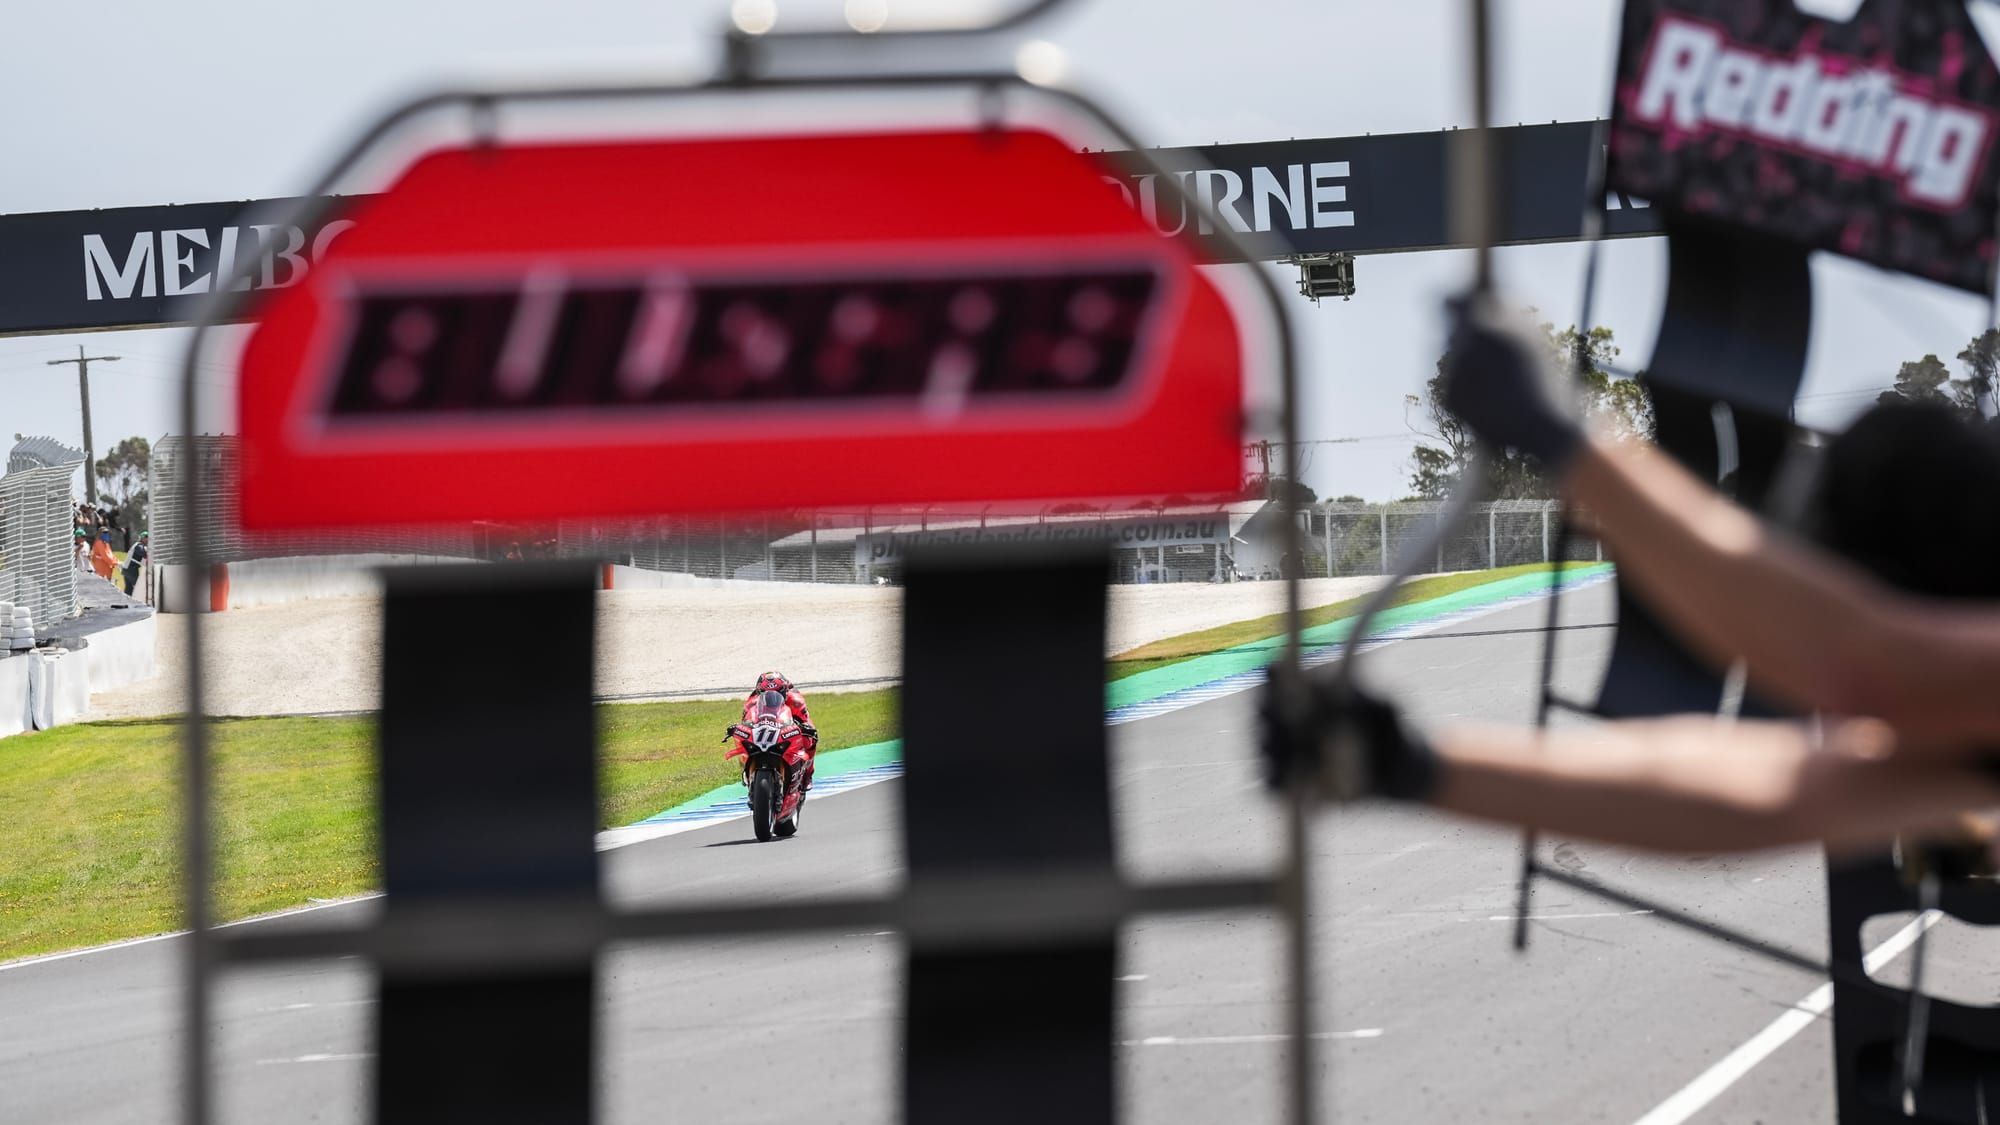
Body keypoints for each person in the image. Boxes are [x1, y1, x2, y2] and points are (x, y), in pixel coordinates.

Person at [1265, 296, 2000, 857]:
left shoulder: (1947, 685)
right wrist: (1411, 765)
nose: (1827, 717)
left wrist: (1567, 438)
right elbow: (1755, 794)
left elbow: (1853, 656)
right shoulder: (1960, 736)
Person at [732, 672, 819, 789]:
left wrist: (806, 729)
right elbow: (746, 722)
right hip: (765, 729)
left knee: (810, 740)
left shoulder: (796, 701)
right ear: (759, 692)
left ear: (784, 691)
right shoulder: (751, 702)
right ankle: (745, 767)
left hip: (787, 726)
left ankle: (808, 774)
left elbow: (805, 722)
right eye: (766, 694)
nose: (772, 698)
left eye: (777, 693)